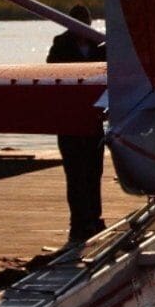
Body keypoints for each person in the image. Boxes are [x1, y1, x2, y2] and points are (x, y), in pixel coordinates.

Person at [47, 23, 109, 250]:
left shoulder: (100, 45)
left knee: (94, 172)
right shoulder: (60, 45)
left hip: (93, 119)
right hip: (69, 120)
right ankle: (78, 223)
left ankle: (95, 218)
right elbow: (51, 72)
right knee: (75, 175)